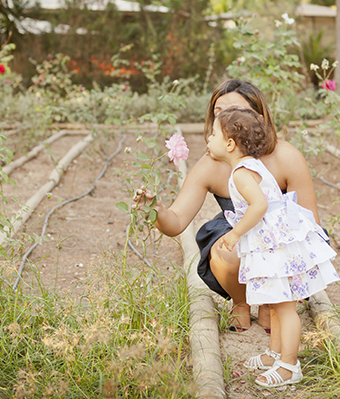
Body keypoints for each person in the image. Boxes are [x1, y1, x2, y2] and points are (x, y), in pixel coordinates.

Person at [133, 79, 322, 333]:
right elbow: (176, 222)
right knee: (227, 250)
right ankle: (241, 301)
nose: (223, 119)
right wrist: (156, 210)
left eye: (235, 111)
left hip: (283, 235)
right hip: (238, 231)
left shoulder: (286, 156)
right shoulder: (211, 165)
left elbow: (310, 222)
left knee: (287, 245)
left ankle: (273, 302)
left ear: (259, 117)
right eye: (218, 113)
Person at [205, 108, 338, 388]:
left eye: (213, 133)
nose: (208, 137)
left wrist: (235, 234)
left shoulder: (242, 173)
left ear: (229, 144)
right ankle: (275, 353)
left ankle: (290, 365)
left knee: (285, 308)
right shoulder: (250, 165)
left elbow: (260, 205)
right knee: (277, 304)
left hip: (273, 246)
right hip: (274, 243)